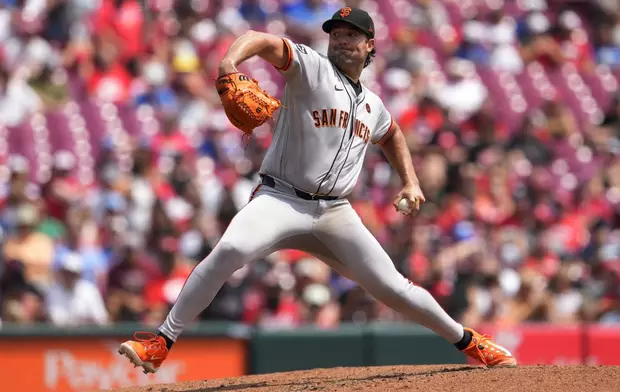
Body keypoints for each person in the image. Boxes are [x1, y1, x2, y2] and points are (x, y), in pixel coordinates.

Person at [117, 7, 517, 374]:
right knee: (231, 250)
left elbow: (392, 133)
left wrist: (410, 181)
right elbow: (264, 38)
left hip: (335, 213)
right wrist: (229, 62)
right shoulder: (311, 68)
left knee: (393, 286)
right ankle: (161, 340)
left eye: (351, 34)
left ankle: (470, 342)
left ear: (370, 45)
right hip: (280, 199)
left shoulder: (373, 105)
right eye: (336, 33)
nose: (341, 40)